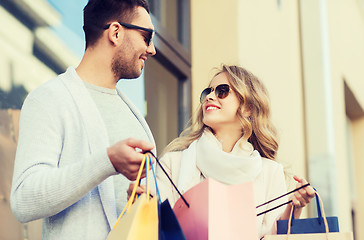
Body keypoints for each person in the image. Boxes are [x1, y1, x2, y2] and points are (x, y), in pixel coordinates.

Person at [10, 0, 156, 239]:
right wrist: (108, 161)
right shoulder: (50, 99)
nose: (152, 50)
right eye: (147, 37)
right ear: (116, 32)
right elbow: (24, 199)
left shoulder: (136, 117)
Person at [130, 64, 316, 238]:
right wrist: (142, 201)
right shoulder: (172, 163)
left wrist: (294, 207)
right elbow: (158, 229)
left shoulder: (270, 172)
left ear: (248, 107)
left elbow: (272, 237)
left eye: (222, 91)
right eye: (207, 92)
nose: (210, 97)